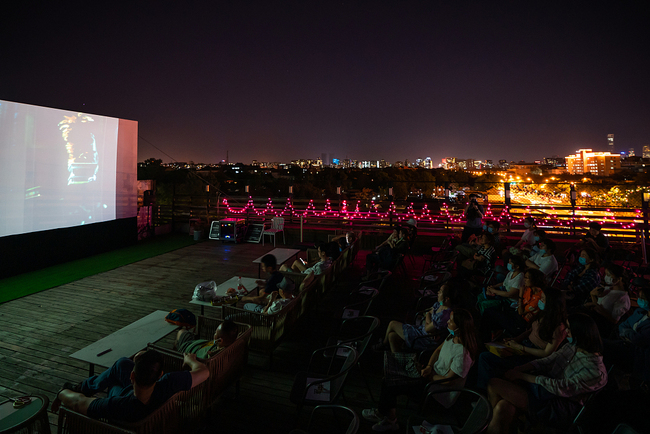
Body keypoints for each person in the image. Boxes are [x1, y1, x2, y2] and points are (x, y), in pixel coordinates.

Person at [486, 314, 607, 434]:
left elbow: (560, 387)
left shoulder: (595, 371)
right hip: (544, 390)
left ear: (581, 332)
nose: (566, 331)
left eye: (569, 328)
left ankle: (490, 420)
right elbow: (548, 360)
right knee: (502, 408)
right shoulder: (573, 346)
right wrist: (520, 369)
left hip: (558, 406)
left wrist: (521, 375)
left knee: (494, 384)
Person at [362, 309, 477, 432]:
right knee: (390, 376)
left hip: (436, 392)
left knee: (390, 383)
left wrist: (429, 376)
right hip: (430, 378)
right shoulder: (452, 337)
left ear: (459, 328)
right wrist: (428, 367)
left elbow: (449, 381)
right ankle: (385, 414)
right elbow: (438, 350)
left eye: (451, 321)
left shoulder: (463, 354)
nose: (448, 321)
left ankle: (389, 419)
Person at [51, 349, 208, 423]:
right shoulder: (168, 383)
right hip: (138, 397)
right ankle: (83, 387)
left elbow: (79, 403)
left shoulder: (117, 405)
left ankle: (81, 387)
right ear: (160, 375)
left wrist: (62, 392)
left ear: (132, 376)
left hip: (125, 399)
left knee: (113, 381)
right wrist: (190, 360)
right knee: (122, 364)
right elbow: (204, 372)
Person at [477, 287, 568, 390]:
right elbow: (530, 331)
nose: (540, 301)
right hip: (524, 345)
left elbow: (546, 353)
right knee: (489, 348)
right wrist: (516, 339)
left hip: (532, 356)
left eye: (543, 299)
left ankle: (483, 392)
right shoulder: (543, 314)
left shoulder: (558, 327)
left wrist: (520, 347)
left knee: (485, 357)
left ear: (552, 303)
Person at [374, 280, 460, 353]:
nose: (438, 292)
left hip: (424, 339)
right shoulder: (440, 304)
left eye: (440, 291)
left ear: (447, 298)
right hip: (421, 331)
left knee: (392, 324)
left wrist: (428, 318)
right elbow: (428, 313)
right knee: (391, 336)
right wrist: (428, 318)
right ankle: (397, 362)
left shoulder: (444, 316)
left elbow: (427, 329)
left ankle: (383, 344)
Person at [602, 285, 650, 383]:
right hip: (622, 342)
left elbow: (638, 340)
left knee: (603, 346)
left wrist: (627, 332)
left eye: (643, 298)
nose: (639, 300)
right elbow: (622, 325)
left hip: (634, 355)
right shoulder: (639, 312)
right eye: (639, 297)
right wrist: (630, 333)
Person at [481, 268, 546, 340]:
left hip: (520, 323)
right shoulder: (528, 289)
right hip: (516, 314)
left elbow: (520, 311)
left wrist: (520, 296)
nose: (524, 279)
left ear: (534, 280)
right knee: (490, 312)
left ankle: (486, 339)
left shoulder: (538, 297)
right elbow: (520, 309)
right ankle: (490, 336)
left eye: (526, 278)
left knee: (489, 312)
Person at [583, 263, 630, 335]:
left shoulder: (622, 297)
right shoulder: (607, 289)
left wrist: (595, 305)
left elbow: (614, 320)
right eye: (605, 274)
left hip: (602, 325)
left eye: (609, 275)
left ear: (619, 278)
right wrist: (592, 295)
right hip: (593, 318)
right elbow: (598, 305)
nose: (606, 277)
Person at [174, 319, 239, 358]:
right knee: (183, 332)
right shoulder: (228, 344)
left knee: (181, 332)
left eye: (215, 333)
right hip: (195, 344)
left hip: (186, 350)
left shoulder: (210, 355)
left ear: (220, 340)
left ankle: (174, 354)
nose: (214, 333)